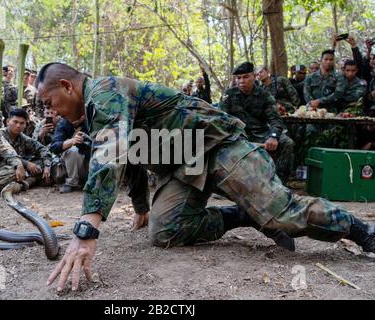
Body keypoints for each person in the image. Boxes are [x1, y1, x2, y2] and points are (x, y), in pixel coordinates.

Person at [36, 62, 374, 292]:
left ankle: (361, 230)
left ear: (67, 86)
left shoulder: (105, 91)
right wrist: (141, 205)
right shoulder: (98, 109)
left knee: (281, 215)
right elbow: (131, 156)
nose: (53, 112)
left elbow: (112, 151)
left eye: (51, 102)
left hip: (217, 144)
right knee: (165, 230)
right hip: (186, 164)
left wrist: (87, 227)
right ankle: (241, 214)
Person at [219, 62, 294, 183]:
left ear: (254, 76)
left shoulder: (264, 95)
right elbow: (221, 120)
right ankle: (226, 185)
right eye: (238, 78)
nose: (242, 81)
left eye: (246, 77)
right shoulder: (228, 95)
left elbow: (276, 120)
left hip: (260, 134)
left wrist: (273, 136)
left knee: (287, 143)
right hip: (236, 135)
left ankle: (279, 185)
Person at [0, 108, 52, 188]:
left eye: (22, 123)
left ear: (25, 125)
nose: (18, 126)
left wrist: (47, 166)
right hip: (1, 165)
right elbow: (2, 157)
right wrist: (26, 163)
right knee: (12, 170)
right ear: (8, 122)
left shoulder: (23, 137)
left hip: (21, 167)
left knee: (41, 163)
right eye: (15, 122)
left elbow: (42, 149)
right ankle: (29, 180)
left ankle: (27, 181)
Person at [49, 117, 89, 193]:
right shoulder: (63, 123)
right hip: (68, 167)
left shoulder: (91, 121)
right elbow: (54, 147)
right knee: (73, 151)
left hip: (89, 164)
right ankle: (71, 183)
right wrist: (72, 141)